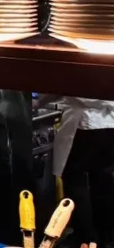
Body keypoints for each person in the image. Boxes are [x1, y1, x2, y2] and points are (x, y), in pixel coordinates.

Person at [51, 96, 114, 248]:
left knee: (74, 180)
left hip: (84, 124)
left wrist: (38, 101)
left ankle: (85, 237)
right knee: (102, 181)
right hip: (110, 124)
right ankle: (105, 237)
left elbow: (60, 83)